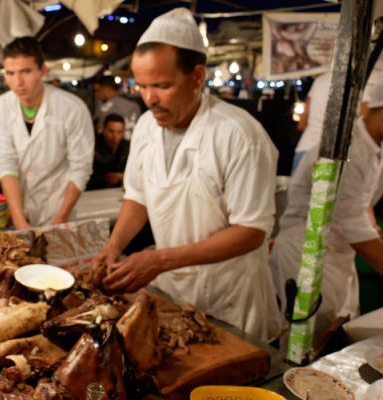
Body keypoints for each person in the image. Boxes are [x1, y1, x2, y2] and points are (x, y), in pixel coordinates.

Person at [92, 8, 281, 341]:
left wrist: (159, 259)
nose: (150, 99)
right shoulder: (148, 127)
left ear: (197, 76)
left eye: (163, 85)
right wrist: (114, 244)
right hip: (176, 291)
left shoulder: (239, 134)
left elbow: (252, 230)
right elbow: (138, 196)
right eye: (143, 87)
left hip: (231, 296)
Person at [270, 79, 383, 340]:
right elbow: (352, 220)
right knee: (301, 340)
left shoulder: (372, 148)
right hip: (306, 253)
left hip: (335, 252)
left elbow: (360, 201)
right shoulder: (347, 150)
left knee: (326, 332)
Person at [0, 37, 94, 228]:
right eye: (10, 73)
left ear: (43, 71)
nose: (18, 82)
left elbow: (81, 169)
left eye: (25, 72)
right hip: (20, 210)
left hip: (59, 209)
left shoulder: (72, 108)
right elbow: (5, 164)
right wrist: (19, 220)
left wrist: (60, 219)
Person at [292, 72, 330, 173]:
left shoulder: (320, 80)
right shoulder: (368, 80)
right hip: (331, 157)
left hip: (305, 149)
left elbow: (301, 124)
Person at [88, 113, 130, 190]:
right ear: (103, 130)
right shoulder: (91, 147)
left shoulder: (127, 147)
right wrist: (104, 179)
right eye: (111, 131)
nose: (115, 136)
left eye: (119, 132)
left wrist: (124, 176)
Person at [94, 75, 141, 140]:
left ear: (107, 89)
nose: (97, 95)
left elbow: (99, 131)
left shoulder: (106, 107)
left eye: (98, 91)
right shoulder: (134, 105)